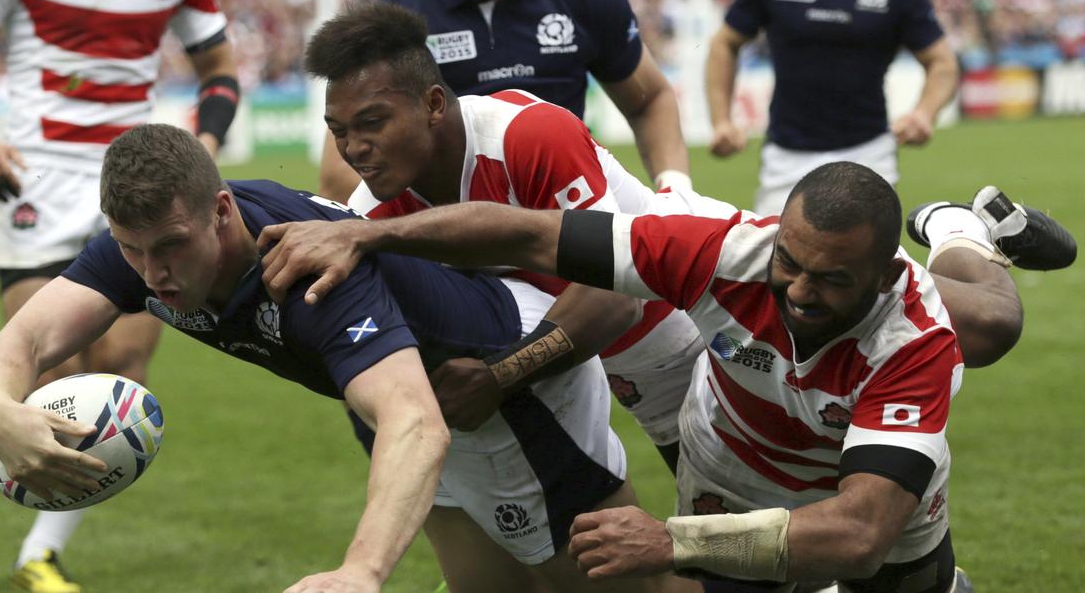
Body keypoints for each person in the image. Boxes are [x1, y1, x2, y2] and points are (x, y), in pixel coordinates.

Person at [256, 164, 1071, 592]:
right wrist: (370, 238)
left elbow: (859, 535)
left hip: (877, 514)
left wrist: (666, 539)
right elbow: (533, 235)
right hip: (731, 481)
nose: (797, 291)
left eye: (830, 281)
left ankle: (961, 230)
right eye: (790, 263)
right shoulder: (725, 249)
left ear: (884, 275)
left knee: (992, 324)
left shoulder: (914, 338)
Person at [0, 122, 673, 593]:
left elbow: (419, 422)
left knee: (612, 585)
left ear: (222, 212)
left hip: (500, 383)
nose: (150, 271)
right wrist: (0, 409)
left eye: (169, 247)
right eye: (131, 249)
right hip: (397, 397)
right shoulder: (140, 248)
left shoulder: (308, 269)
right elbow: (22, 342)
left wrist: (361, 572)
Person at [0, 0, 239, 591]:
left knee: (121, 370)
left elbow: (219, 69)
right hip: (36, 181)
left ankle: (40, 551)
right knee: (40, 368)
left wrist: (207, 145)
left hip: (137, 186)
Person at [307, 1, 732, 483]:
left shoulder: (526, 135)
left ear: (433, 104)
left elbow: (617, 300)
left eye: (372, 122)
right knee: (714, 543)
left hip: (725, 318)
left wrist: (499, 377)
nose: (353, 149)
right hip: (643, 373)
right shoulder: (373, 212)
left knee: (775, 534)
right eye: (339, 132)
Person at [317, 0, 690, 203]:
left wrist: (675, 187)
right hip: (461, 247)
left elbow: (649, 99)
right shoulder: (396, 22)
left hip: (570, 221)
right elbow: (339, 173)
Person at [704, 0, 961, 215]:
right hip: (785, 159)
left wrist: (924, 114)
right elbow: (724, 43)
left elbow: (942, 62)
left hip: (869, 156)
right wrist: (722, 120)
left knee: (865, 269)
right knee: (777, 268)